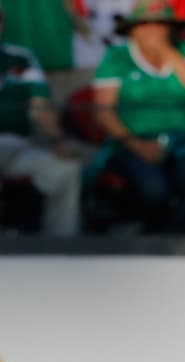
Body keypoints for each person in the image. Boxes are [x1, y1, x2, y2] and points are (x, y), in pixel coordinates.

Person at [91, 0, 185, 233]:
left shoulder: (184, 51)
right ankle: (138, 237)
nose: (153, 30)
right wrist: (136, 144)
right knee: (153, 190)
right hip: (131, 143)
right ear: (133, 30)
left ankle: (169, 239)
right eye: (145, 25)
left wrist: (166, 51)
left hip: (181, 143)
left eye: (161, 24)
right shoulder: (117, 57)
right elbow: (103, 112)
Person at [0, 1, 81, 235]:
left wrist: (58, 140)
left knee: (65, 169)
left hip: (17, 147)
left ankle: (62, 248)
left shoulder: (20, 58)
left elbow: (40, 105)